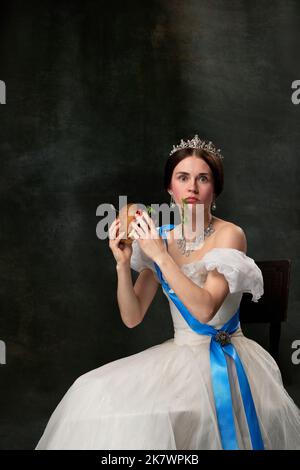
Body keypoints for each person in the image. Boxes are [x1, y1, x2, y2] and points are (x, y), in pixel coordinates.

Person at [35, 135, 300, 450]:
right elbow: (132, 317)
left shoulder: (230, 235)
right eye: (183, 178)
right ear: (170, 190)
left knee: (168, 415)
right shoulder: (160, 238)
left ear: (214, 190)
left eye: (203, 178)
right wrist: (122, 265)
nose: (192, 187)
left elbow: (205, 310)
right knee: (90, 389)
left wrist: (161, 256)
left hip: (226, 358)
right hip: (180, 355)